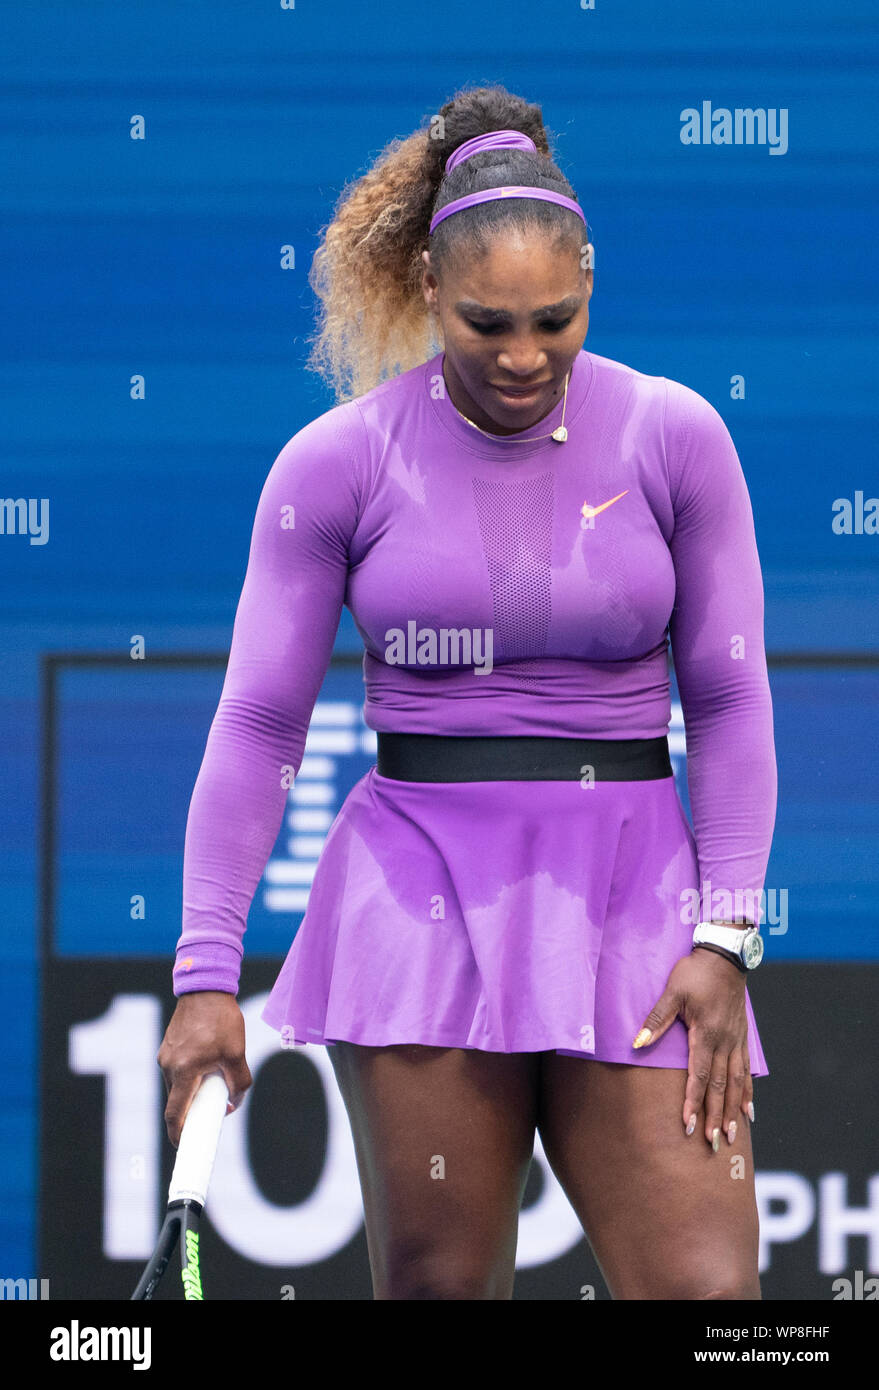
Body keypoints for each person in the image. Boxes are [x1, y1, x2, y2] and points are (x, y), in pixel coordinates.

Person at [158, 83, 777, 1301]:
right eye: (489, 324)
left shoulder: (679, 436)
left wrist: (727, 931)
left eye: (559, 319)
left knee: (713, 1300)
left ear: (592, 286)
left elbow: (732, 700)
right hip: (415, 898)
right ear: (428, 291)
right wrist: (203, 977)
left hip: (644, 906)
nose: (526, 357)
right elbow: (259, 724)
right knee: (441, 1290)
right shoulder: (337, 462)